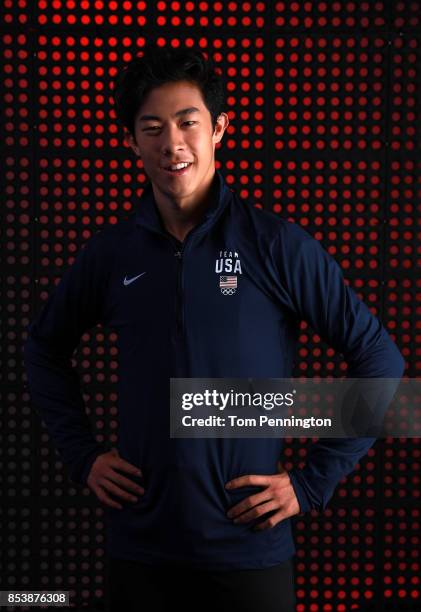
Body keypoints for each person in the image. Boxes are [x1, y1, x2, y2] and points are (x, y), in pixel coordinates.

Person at [23, 47, 405, 612]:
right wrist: (83, 456)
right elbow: (43, 350)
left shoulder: (277, 245)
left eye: (187, 123)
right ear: (132, 142)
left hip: (249, 554)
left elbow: (382, 362)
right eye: (151, 128)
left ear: (220, 128)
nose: (171, 144)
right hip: (141, 551)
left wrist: (310, 484)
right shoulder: (110, 254)